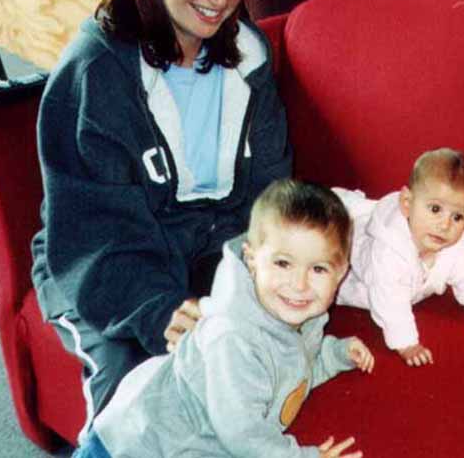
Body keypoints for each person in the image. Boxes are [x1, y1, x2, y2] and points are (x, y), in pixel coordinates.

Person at [30, 0, 292, 440]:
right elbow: (93, 227)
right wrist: (155, 310)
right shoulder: (97, 71)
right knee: (130, 398)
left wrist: (266, 267)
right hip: (101, 258)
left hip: (213, 244)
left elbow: (269, 190)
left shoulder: (250, 57)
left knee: (260, 358)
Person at [72, 178, 374, 458]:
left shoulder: (303, 315)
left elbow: (291, 373)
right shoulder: (234, 337)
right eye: (283, 263)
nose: (299, 284)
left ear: (341, 272)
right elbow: (243, 433)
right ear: (252, 260)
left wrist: (332, 356)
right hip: (134, 446)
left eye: (318, 269)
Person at [333, 148, 464, 367]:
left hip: (404, 281)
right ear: (407, 203)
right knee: (337, 276)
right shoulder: (388, 253)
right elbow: (389, 299)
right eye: (435, 209)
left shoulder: (455, 247)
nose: (445, 225)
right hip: (350, 243)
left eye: (457, 217)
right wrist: (406, 343)